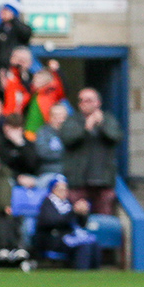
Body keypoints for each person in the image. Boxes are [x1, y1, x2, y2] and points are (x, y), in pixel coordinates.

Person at [61, 87, 121, 215]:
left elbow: (116, 137)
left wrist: (101, 125)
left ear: (98, 102)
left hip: (103, 182)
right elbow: (67, 139)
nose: (85, 103)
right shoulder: (71, 120)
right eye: (82, 100)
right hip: (78, 181)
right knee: (77, 218)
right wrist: (86, 127)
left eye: (89, 100)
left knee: (104, 220)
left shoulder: (108, 119)